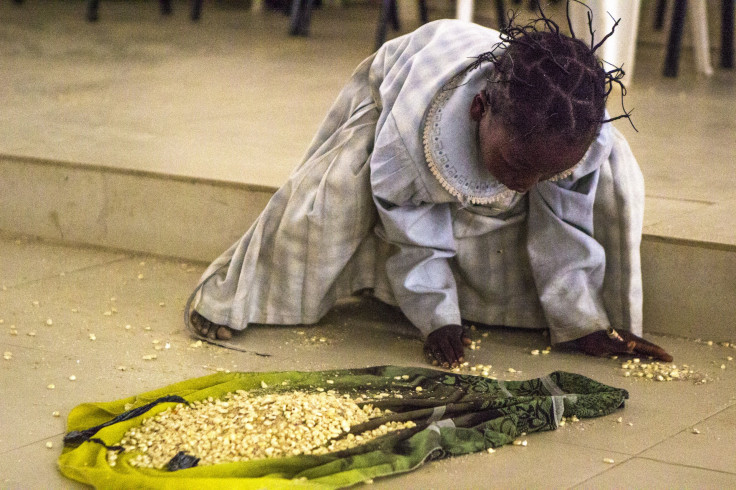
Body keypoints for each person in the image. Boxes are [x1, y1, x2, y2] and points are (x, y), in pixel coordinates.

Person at [186, 4, 673, 367]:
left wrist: (581, 320)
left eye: (544, 175)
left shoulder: (571, 129)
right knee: (334, 193)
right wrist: (438, 318)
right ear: (479, 108)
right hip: (388, 114)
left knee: (616, 177)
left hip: (525, 134)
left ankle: (571, 318)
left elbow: (568, 222)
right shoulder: (412, 135)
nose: (524, 186)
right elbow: (410, 221)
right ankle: (239, 297)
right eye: (518, 166)